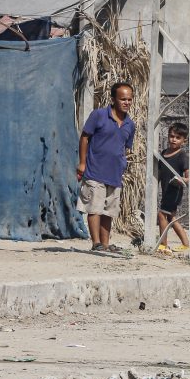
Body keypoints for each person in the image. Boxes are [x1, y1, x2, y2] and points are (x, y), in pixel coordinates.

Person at [77, 82, 136, 253]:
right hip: (95, 170)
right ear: (113, 99)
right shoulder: (99, 115)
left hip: (115, 174)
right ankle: (96, 243)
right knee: (94, 208)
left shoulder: (129, 125)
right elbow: (85, 138)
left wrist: (122, 165)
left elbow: (123, 147)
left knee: (109, 211)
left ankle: (105, 243)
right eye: (123, 99)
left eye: (129, 99)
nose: (127, 102)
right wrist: (82, 163)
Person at [156, 122, 190, 254]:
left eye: (177, 137)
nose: (173, 139)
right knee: (171, 218)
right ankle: (185, 244)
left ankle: (163, 245)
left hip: (175, 190)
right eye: (171, 136)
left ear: (184, 141)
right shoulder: (164, 153)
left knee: (161, 214)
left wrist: (181, 180)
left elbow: (188, 177)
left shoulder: (182, 155)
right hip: (165, 190)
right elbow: (159, 172)